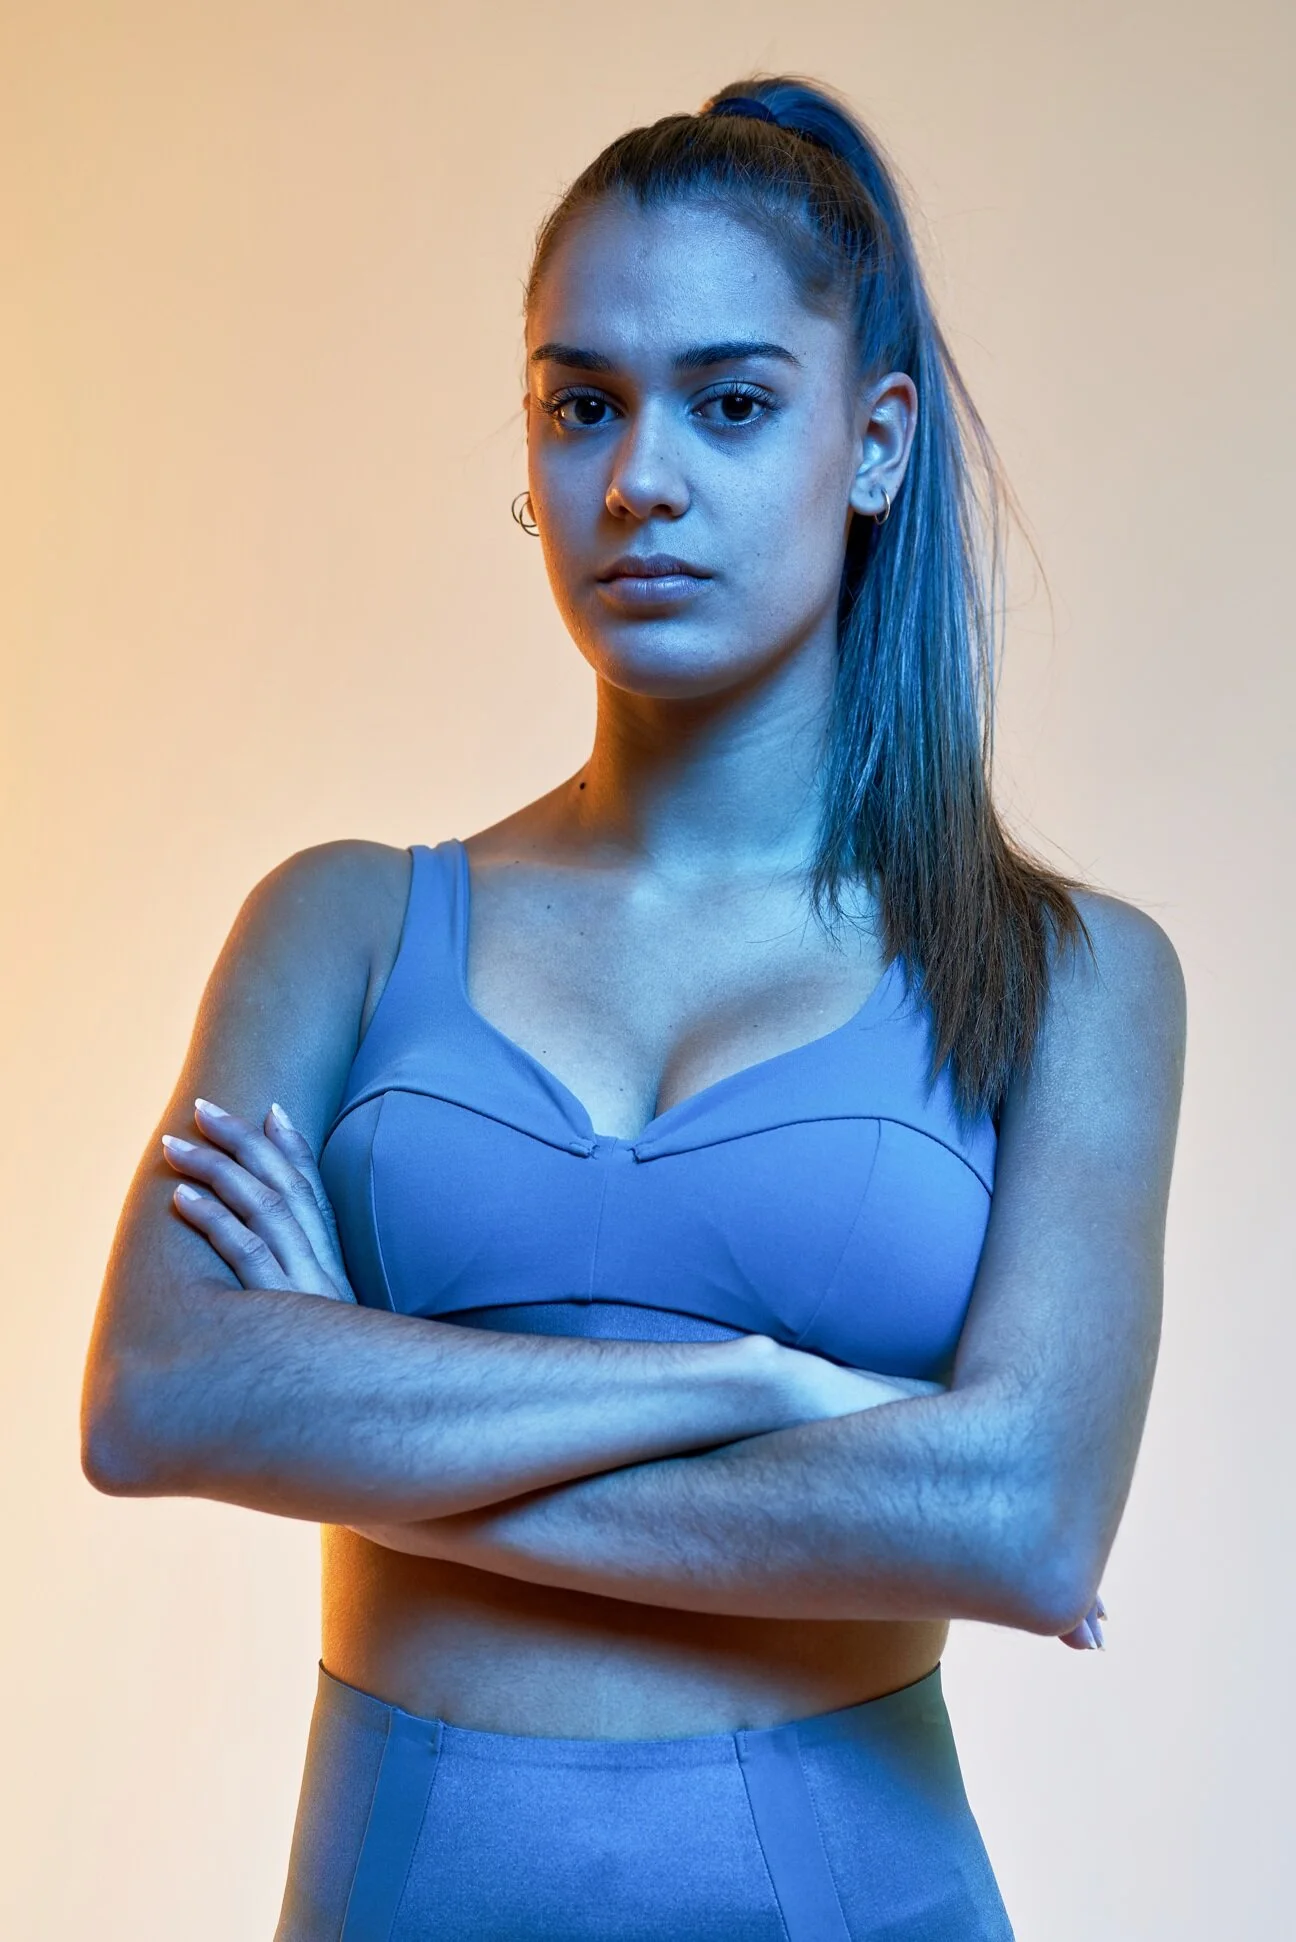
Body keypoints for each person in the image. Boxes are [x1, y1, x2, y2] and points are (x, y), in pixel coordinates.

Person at [80, 74, 1186, 1941]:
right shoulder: (340, 923)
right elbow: (155, 1396)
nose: (638, 479)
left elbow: (1019, 1520)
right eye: (581, 402)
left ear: (876, 445)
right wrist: (757, 1386)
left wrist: (354, 1401)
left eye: (730, 404)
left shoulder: (1069, 970)